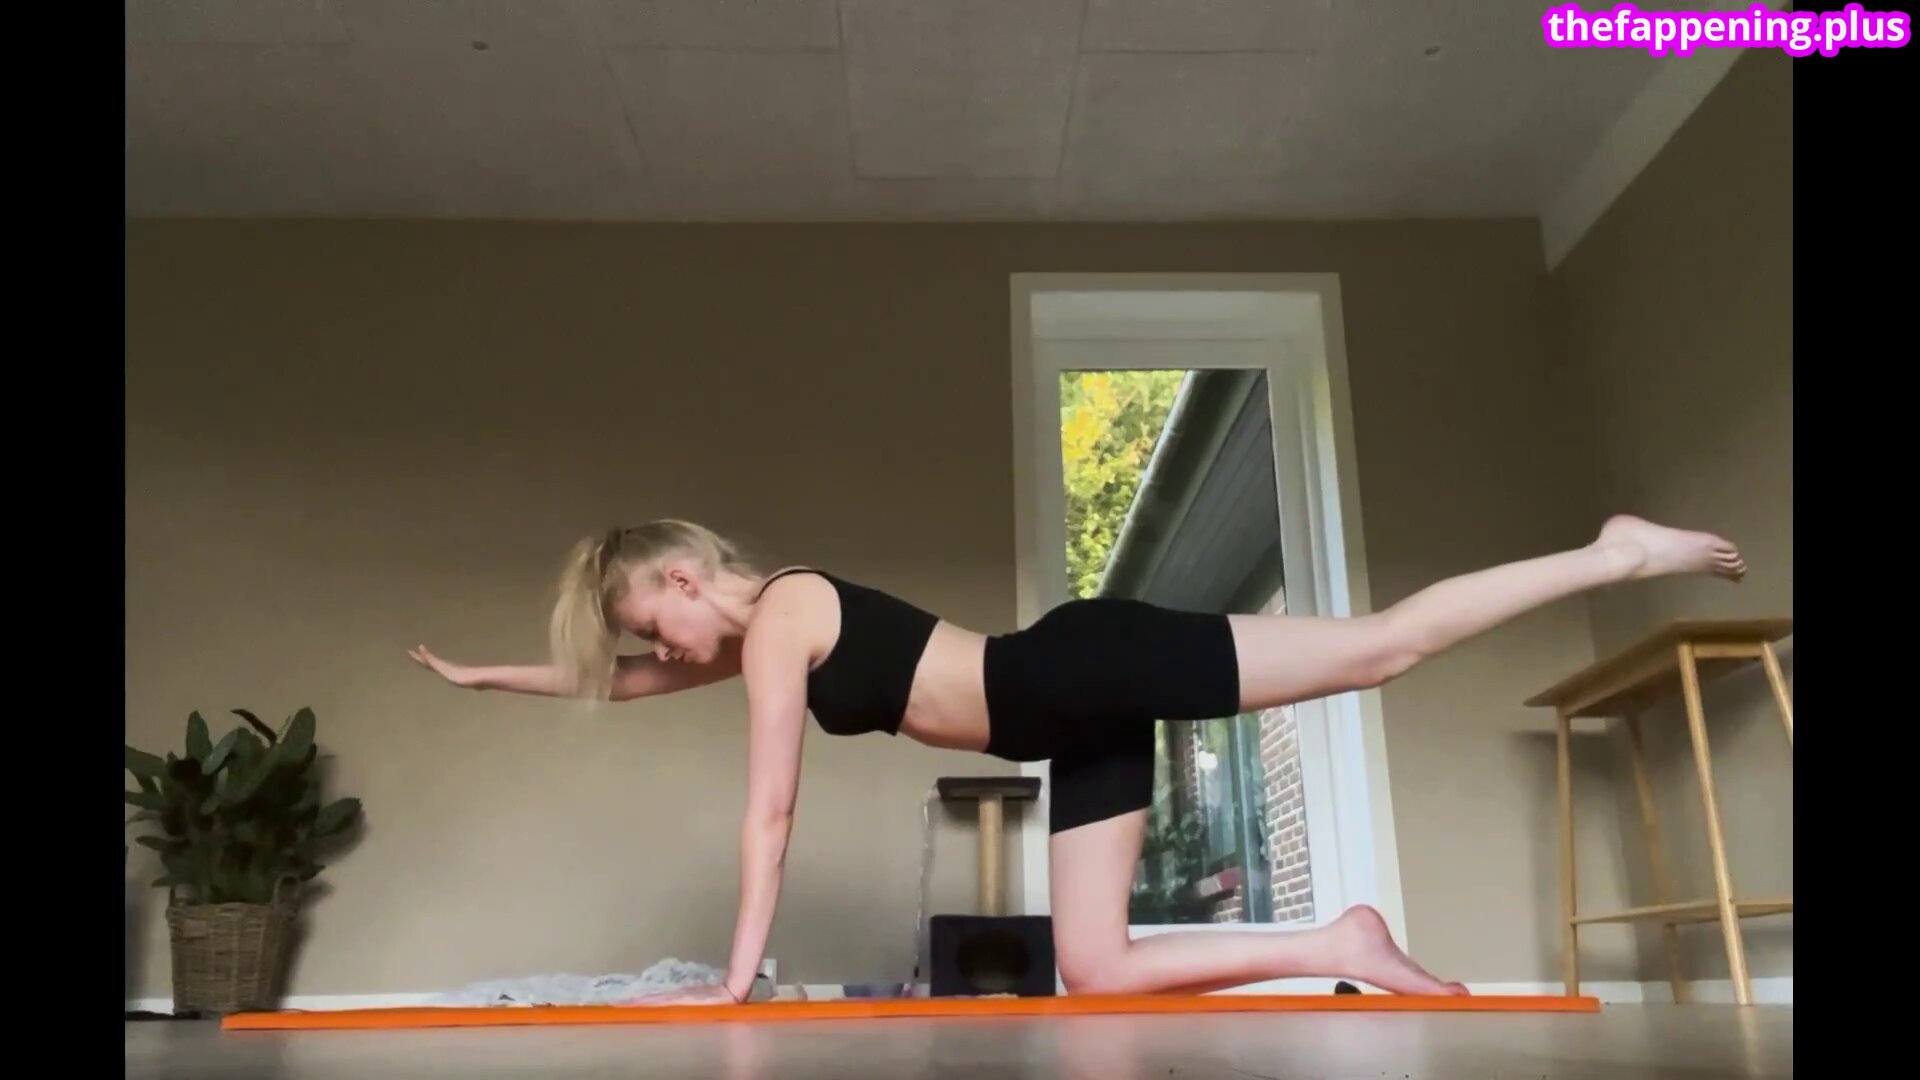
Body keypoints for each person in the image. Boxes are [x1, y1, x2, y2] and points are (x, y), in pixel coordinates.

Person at [410, 515, 1745, 1004]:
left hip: (1081, 667)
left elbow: (769, 814)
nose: (662, 650)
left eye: (656, 621)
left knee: (1380, 649)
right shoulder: (766, 633)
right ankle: (1339, 940)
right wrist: (489, 678)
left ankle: (1613, 552)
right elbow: (626, 686)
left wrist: (731, 977)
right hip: (1069, 714)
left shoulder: (785, 625)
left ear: (686, 580)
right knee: (1098, 968)